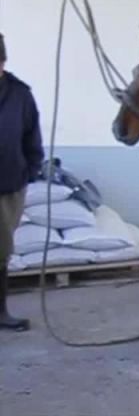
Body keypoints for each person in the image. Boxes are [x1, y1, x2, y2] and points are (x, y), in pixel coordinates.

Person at [0, 33, 44, 331]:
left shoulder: (20, 94)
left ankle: (1, 312)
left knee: (1, 251)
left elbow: (32, 138)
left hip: (7, 185)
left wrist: (27, 172)